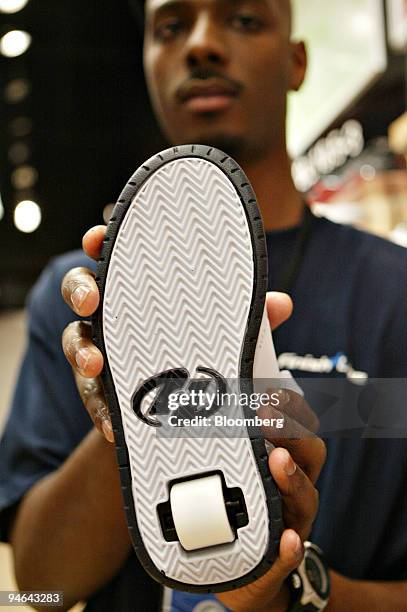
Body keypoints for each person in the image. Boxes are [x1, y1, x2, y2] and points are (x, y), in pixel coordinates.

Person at [1, 0, 407, 610]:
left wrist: (297, 594)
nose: (201, 46)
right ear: (147, 62)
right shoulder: (78, 301)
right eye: (170, 28)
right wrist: (125, 415)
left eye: (244, 20)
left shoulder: (395, 292)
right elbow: (40, 585)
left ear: (297, 63)